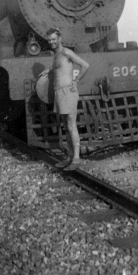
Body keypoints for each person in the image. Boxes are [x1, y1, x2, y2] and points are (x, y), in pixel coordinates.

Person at [46, 27, 90, 171]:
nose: (52, 42)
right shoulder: (56, 55)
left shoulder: (66, 52)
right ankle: (70, 157)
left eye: (54, 39)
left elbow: (85, 65)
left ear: (59, 38)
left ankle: (76, 159)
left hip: (68, 92)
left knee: (71, 125)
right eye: (49, 40)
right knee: (66, 126)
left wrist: (76, 80)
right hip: (60, 92)